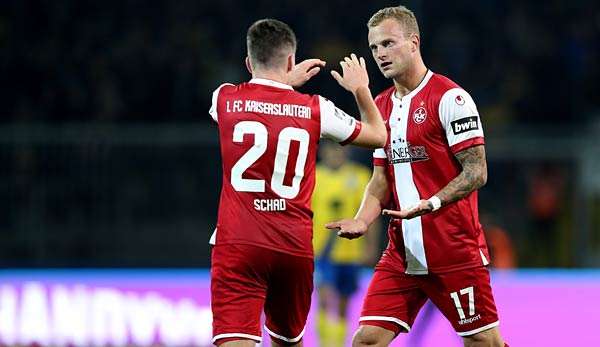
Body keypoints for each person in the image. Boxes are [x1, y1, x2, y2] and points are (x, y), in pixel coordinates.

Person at [325, 6, 508, 347]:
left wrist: (432, 202)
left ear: (413, 42)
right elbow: (381, 180)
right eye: (375, 47)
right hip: (402, 253)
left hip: (454, 251)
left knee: (484, 342)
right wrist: (363, 221)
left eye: (389, 43)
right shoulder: (380, 105)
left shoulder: (450, 98)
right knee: (366, 340)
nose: (380, 54)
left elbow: (477, 170)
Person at [208, 18, 387, 347]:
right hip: (293, 247)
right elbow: (379, 135)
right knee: (288, 342)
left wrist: (282, 81)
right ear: (290, 60)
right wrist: (360, 89)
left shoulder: (224, 99)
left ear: (248, 62)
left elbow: (261, 99)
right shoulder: (315, 109)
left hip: (239, 244)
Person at [312, 141, 380, 347]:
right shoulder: (313, 176)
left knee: (343, 303)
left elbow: (371, 213)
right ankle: (325, 344)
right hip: (320, 251)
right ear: (323, 152)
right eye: (331, 150)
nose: (335, 154)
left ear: (346, 151)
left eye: (339, 150)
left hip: (350, 251)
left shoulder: (359, 177)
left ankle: (339, 343)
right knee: (324, 298)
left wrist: (371, 246)